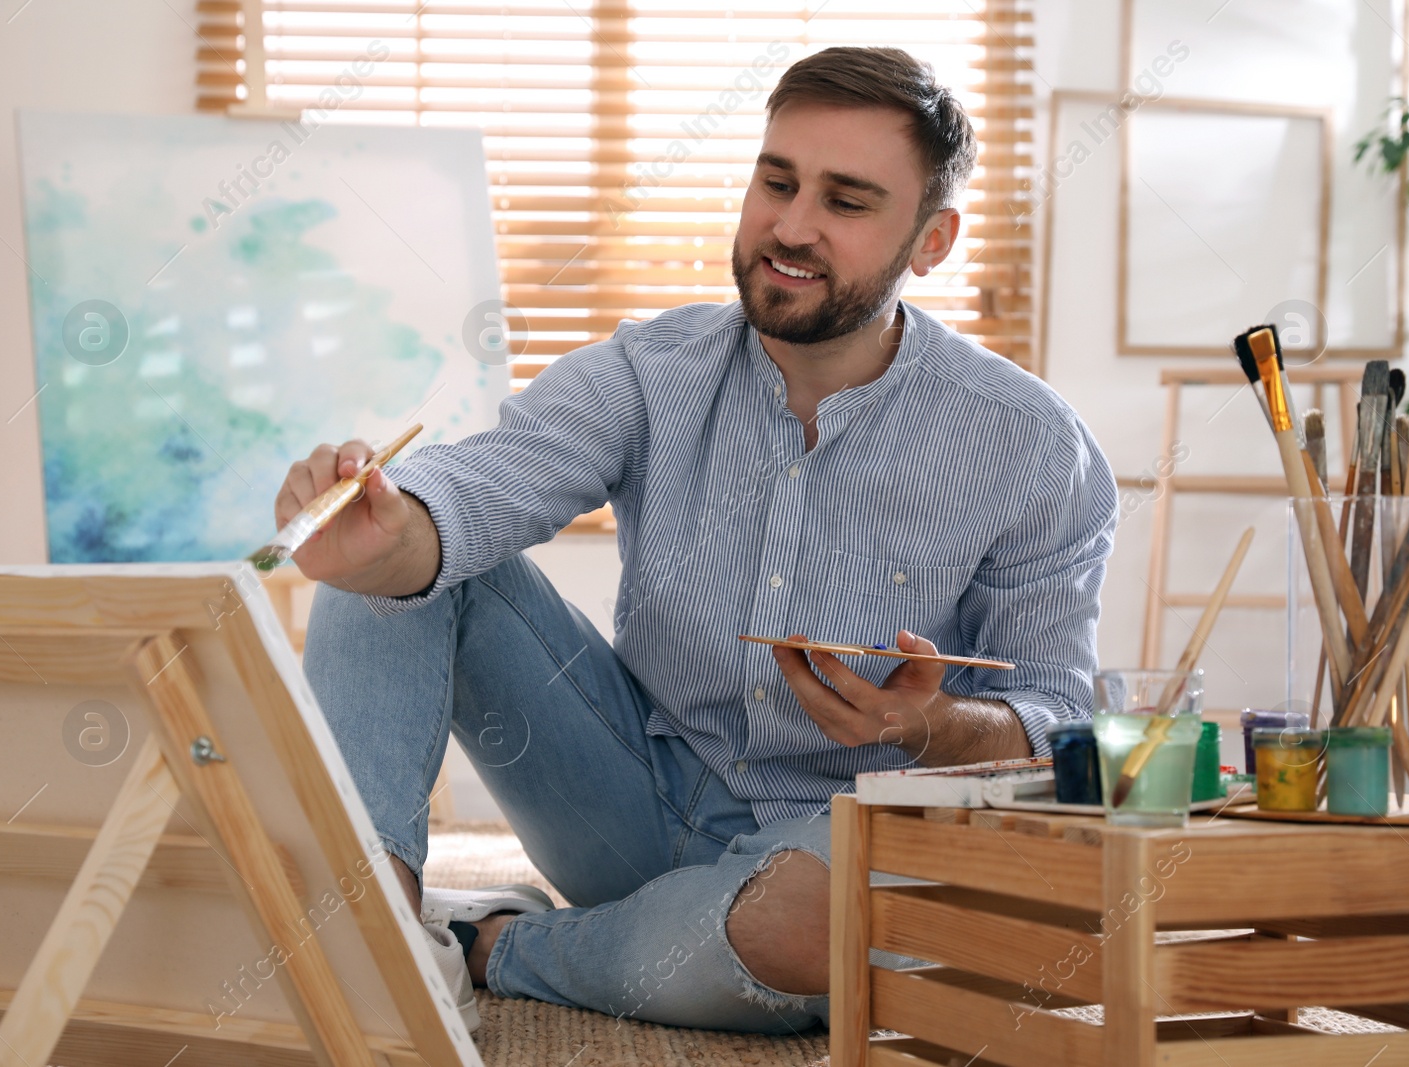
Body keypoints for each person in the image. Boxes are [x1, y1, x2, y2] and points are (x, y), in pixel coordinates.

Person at [282, 45, 1117, 1035]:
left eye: (846, 202)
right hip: (623, 799)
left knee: (821, 927)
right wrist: (390, 528)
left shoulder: (1028, 442)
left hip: (837, 838)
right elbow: (485, 483)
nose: (791, 225)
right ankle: (372, 932)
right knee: (385, 555)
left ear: (931, 241)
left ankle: (493, 945)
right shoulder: (649, 368)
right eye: (777, 181)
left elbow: (1066, 719)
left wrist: (929, 728)